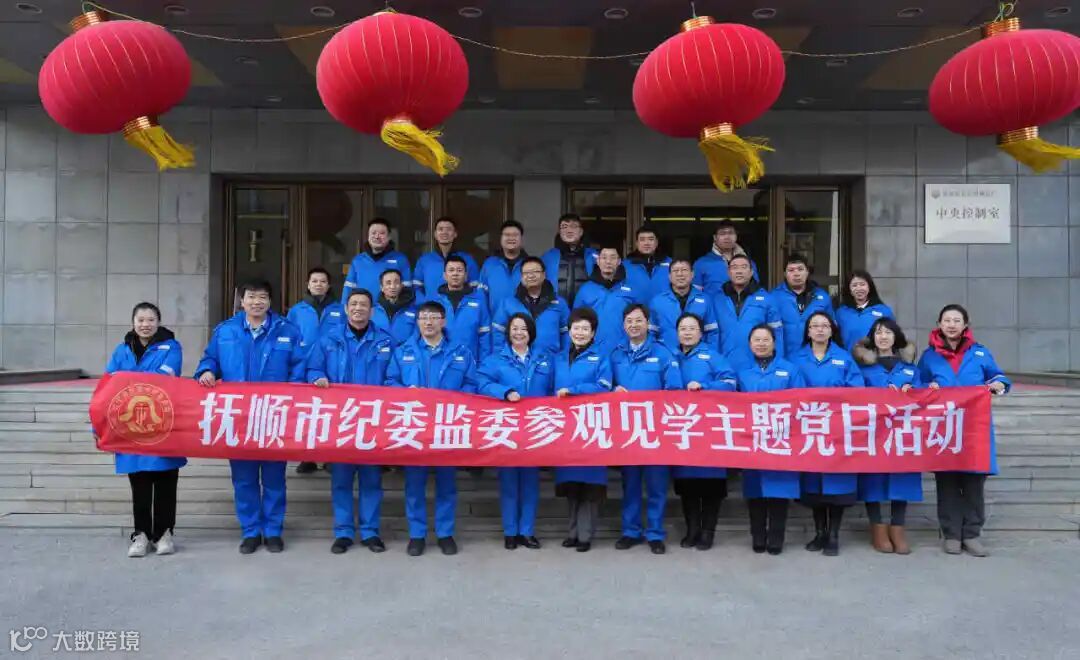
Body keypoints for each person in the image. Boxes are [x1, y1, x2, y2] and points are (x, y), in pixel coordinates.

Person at [195, 279, 305, 555]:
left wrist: (293, 397)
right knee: (244, 479)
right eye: (251, 297)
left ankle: (273, 531)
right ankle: (251, 531)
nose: (257, 302)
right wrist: (206, 371)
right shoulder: (226, 331)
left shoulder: (287, 331)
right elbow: (210, 360)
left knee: (274, 478)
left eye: (262, 297)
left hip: (274, 417)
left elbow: (299, 368)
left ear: (270, 301)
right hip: (239, 418)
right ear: (241, 301)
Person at [386, 301, 479, 557]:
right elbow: (390, 381)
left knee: (447, 483)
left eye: (434, 317)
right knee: (414, 483)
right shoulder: (403, 351)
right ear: (417, 322)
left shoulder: (461, 352)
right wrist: (406, 392)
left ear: (443, 321)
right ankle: (417, 535)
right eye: (423, 317)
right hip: (414, 426)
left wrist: (456, 398)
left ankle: (445, 533)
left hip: (447, 425)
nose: (428, 322)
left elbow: (472, 383)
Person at [918, 304, 1010, 557]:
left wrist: (998, 385)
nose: (951, 325)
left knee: (973, 484)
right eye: (947, 320)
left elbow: (999, 377)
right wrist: (928, 387)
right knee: (947, 483)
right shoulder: (929, 356)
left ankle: (971, 534)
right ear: (939, 324)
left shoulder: (979, 353)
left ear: (965, 325)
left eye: (957, 320)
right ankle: (951, 534)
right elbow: (918, 383)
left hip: (974, 429)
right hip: (944, 429)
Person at [307, 289, 394, 555]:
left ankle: (370, 532)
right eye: (353, 304)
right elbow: (312, 368)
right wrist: (317, 378)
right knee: (341, 479)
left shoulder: (385, 341)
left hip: (373, 420)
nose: (358, 308)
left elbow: (394, 376)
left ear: (372, 310)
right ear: (346, 309)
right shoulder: (328, 339)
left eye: (363, 305)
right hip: (340, 420)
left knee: (371, 480)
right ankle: (343, 532)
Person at [104, 302, 186, 558]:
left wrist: (127, 379)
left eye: (151, 319)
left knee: (165, 482)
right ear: (133, 322)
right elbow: (109, 382)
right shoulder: (122, 349)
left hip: (163, 423)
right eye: (140, 320)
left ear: (158, 322)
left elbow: (163, 378)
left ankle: (164, 534)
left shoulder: (171, 347)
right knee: (139, 483)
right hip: (131, 427)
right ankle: (140, 534)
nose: (145, 324)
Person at [477, 313, 554, 550]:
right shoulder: (495, 359)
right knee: (509, 482)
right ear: (508, 332)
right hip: (507, 428)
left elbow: (554, 387)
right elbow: (481, 382)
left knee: (530, 483)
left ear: (531, 333)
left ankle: (526, 532)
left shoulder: (544, 359)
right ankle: (510, 532)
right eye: (514, 328)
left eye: (523, 329)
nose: (518, 333)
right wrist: (504, 392)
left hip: (534, 428)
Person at [791, 311, 865, 557]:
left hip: (837, 430)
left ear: (832, 330)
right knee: (814, 486)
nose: (820, 330)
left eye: (825, 325)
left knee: (836, 486)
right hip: (809, 429)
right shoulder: (797, 358)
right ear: (808, 331)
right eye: (815, 326)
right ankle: (819, 532)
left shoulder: (844, 358)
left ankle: (834, 535)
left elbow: (857, 390)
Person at [612, 304, 683, 554]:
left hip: (656, 430)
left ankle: (655, 533)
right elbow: (605, 385)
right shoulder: (616, 354)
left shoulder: (663, 353)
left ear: (647, 323)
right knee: (630, 484)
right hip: (627, 430)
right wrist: (613, 390)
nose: (634, 325)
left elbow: (675, 390)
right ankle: (630, 531)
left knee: (656, 485)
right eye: (629, 321)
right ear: (624, 325)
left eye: (638, 320)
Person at [853, 317, 921, 555]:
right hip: (874, 433)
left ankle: (898, 528)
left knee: (902, 478)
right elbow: (855, 397)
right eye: (878, 332)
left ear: (896, 337)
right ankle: (878, 529)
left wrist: (913, 392)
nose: (883, 337)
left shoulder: (910, 369)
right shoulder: (863, 370)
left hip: (903, 434)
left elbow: (925, 398)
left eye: (888, 332)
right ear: (872, 338)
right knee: (873, 479)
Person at [738, 324, 805, 555]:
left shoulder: (789, 370)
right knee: (755, 491)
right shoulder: (743, 372)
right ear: (749, 344)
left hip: (781, 439)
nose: (761, 344)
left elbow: (801, 401)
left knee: (779, 491)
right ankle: (758, 536)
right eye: (756, 340)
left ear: (774, 342)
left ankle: (776, 537)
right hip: (753, 439)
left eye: (766, 339)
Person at [672, 313, 737, 551]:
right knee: (687, 485)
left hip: (709, 430)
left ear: (701, 332)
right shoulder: (672, 357)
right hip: (683, 430)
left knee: (711, 485)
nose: (687, 332)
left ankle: (708, 531)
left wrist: (705, 387)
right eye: (683, 328)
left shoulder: (712, 356)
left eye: (692, 328)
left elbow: (730, 383)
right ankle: (692, 530)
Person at [553, 308, 612, 553]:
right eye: (576, 328)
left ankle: (585, 535)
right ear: (569, 331)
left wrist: (574, 391)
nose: (580, 333)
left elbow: (604, 386)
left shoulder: (601, 357)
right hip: (565, 427)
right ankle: (572, 532)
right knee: (572, 483)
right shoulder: (558, 358)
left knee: (590, 484)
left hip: (591, 426)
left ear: (593, 333)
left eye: (585, 329)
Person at [288, 266, 344, 474]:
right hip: (302, 366)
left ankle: (330, 456)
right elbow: (290, 337)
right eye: (314, 281)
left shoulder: (340, 310)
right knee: (306, 413)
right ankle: (307, 457)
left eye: (323, 281)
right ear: (308, 284)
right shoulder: (297, 311)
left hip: (331, 366)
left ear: (329, 285)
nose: (318, 284)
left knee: (332, 413)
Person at [712, 255, 784, 370]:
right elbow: (711, 335)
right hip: (724, 365)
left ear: (751, 272)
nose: (739, 271)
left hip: (756, 368)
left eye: (744, 267)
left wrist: (776, 364)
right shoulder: (717, 299)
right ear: (728, 272)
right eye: (735, 267)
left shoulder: (767, 299)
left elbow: (777, 335)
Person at [492, 256, 570, 356]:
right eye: (526, 273)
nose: (531, 275)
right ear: (521, 277)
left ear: (544, 275)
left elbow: (567, 333)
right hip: (517, 361)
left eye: (535, 271)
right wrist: (502, 358)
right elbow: (498, 333)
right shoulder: (508, 303)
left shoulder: (559, 303)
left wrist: (563, 358)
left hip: (551, 361)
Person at [422, 255, 491, 360]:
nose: (455, 274)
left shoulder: (478, 301)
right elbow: (424, 335)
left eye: (459, 270)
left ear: (466, 275)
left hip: (470, 364)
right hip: (440, 363)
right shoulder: (433, 302)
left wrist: (483, 366)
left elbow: (485, 337)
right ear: (445, 275)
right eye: (451, 270)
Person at [572, 246, 640, 351]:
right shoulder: (585, 289)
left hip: (623, 350)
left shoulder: (631, 289)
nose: (608, 261)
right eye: (604, 258)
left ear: (619, 261)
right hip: (593, 350)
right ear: (598, 261)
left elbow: (640, 320)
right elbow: (575, 321)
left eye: (613, 258)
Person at [770, 255, 834, 357]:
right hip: (784, 359)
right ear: (785, 274)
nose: (796, 274)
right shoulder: (773, 297)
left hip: (814, 359)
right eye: (791, 270)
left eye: (800, 269)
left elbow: (832, 330)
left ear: (807, 272)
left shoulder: (822, 297)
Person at [648, 259, 717, 350]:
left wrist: (707, 354)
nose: (680, 274)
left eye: (684, 270)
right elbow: (651, 333)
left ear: (692, 274)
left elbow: (712, 332)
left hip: (697, 355)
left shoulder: (705, 300)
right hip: (667, 354)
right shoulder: (657, 301)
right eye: (675, 271)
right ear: (669, 276)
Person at [342, 218, 412, 303]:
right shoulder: (358, 260)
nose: (377, 236)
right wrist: (344, 308)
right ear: (368, 236)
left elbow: (407, 291)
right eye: (373, 233)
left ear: (389, 237)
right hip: (363, 309)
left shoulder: (400, 259)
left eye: (382, 233)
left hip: (389, 310)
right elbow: (348, 289)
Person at [413, 216, 481, 296]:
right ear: (435, 234)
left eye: (449, 229)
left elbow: (475, 289)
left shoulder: (468, 260)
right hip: (431, 304)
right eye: (440, 229)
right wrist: (424, 302)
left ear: (455, 234)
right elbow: (416, 288)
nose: (444, 232)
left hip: (459, 304)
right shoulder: (424, 260)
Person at [692, 220, 759, 295]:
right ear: (715, 237)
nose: (727, 237)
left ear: (736, 236)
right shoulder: (701, 263)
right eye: (722, 233)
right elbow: (695, 295)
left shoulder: (749, 263)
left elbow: (755, 291)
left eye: (731, 233)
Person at [541, 213, 597, 302]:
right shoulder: (548, 257)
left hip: (586, 307)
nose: (569, 230)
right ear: (559, 232)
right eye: (564, 227)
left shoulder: (595, 257)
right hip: (557, 307)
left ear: (581, 232)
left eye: (574, 226)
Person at [835, 270, 894, 351]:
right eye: (854, 285)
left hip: (876, 357)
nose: (859, 288)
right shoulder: (841, 313)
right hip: (849, 357)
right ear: (849, 290)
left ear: (869, 287)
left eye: (862, 284)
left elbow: (893, 337)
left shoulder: (884, 311)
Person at [479, 219, 528, 316]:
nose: (511, 238)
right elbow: (481, 295)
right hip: (494, 322)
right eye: (507, 235)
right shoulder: (489, 264)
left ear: (521, 238)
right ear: (501, 238)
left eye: (515, 235)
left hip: (523, 322)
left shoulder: (530, 265)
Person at [370, 269, 419, 347]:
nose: (392, 286)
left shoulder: (414, 311)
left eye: (396, 282)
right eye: (388, 283)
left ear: (401, 285)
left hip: (405, 353)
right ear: (381, 287)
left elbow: (417, 337)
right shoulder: (372, 312)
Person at [623, 225, 671, 302]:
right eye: (642, 239)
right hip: (634, 308)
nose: (646, 243)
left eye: (651, 239)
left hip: (663, 308)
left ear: (656, 242)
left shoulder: (671, 264)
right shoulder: (625, 265)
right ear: (637, 243)